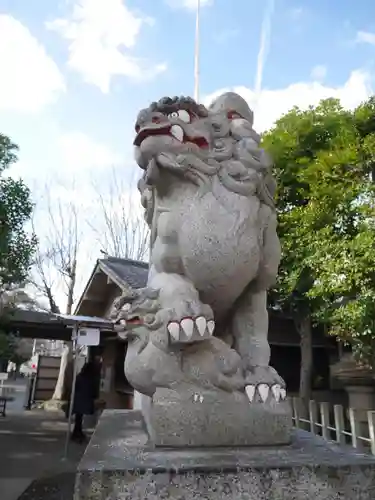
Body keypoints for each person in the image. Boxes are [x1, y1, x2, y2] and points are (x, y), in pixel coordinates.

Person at [70, 360, 101, 443]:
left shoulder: (80, 376)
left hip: (78, 399)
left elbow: (75, 387)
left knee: (78, 417)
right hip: (85, 399)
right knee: (80, 418)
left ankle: (77, 433)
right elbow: (93, 390)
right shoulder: (91, 378)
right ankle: (77, 433)